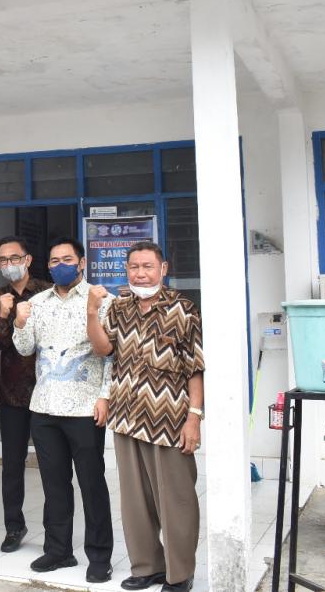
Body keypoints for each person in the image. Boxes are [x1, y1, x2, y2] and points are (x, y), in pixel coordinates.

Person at [86, 241, 205, 592]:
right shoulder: (119, 307)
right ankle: (147, 567)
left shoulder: (183, 309)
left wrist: (194, 418)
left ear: (163, 269)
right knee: (135, 501)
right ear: (127, 270)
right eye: (134, 267)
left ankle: (179, 574)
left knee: (176, 500)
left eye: (148, 266)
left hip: (169, 420)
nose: (140, 273)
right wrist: (92, 313)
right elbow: (103, 349)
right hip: (126, 417)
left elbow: (195, 369)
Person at [12, 236, 114, 583]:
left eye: (67, 259)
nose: (60, 266)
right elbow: (25, 349)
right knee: (54, 485)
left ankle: (99, 556)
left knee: (92, 484)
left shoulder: (101, 300)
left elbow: (112, 354)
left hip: (85, 408)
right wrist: (19, 322)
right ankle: (58, 550)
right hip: (44, 407)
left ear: (82, 263)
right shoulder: (37, 302)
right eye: (54, 261)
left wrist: (105, 396)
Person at [0, 236, 51, 553]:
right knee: (12, 465)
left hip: (48, 393)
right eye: (3, 260)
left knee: (52, 464)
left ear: (28, 259)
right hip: (12, 394)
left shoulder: (48, 292)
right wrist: (2, 315)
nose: (9, 264)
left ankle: (55, 531)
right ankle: (14, 526)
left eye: (14, 258)